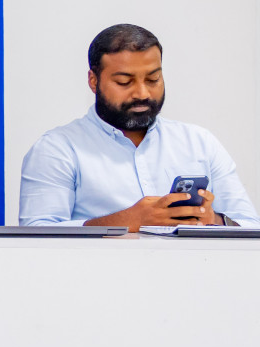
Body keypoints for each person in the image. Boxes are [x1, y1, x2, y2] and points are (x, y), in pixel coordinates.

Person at [19, 23, 258, 229]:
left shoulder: (199, 142)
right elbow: (37, 233)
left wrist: (214, 219)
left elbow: (250, 226)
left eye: (153, 79)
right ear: (93, 81)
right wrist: (127, 221)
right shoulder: (57, 149)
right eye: (124, 81)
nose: (143, 93)